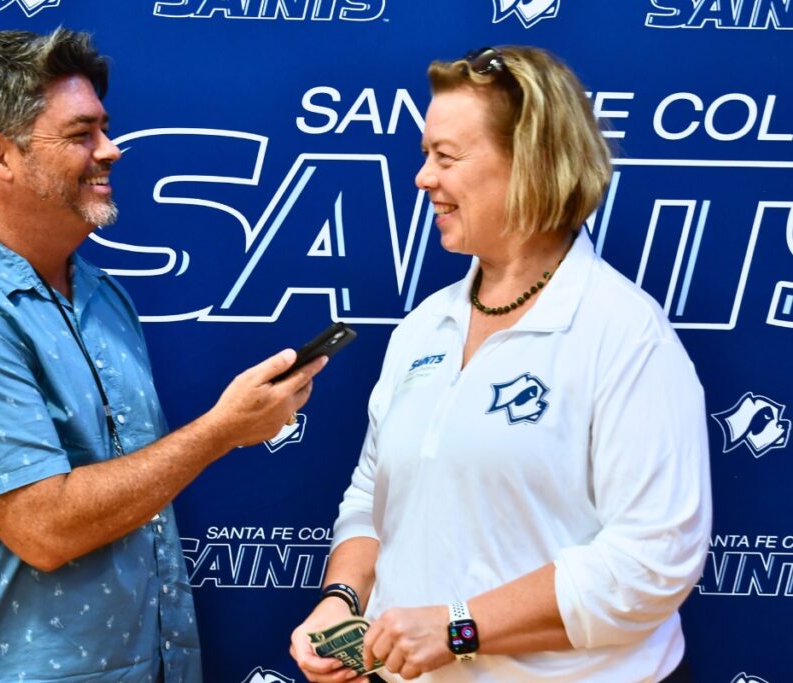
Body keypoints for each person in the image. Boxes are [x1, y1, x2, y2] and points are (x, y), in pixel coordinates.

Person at [0, 29, 324, 683]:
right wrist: (223, 430)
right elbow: (44, 527)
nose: (110, 150)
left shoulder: (104, 298)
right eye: (81, 134)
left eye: (104, 129)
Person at [289, 46, 711, 683]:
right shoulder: (423, 327)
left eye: (446, 157)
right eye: (425, 154)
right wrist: (341, 602)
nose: (422, 178)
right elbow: (374, 496)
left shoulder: (625, 335)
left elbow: (654, 561)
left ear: (531, 164)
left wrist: (459, 627)